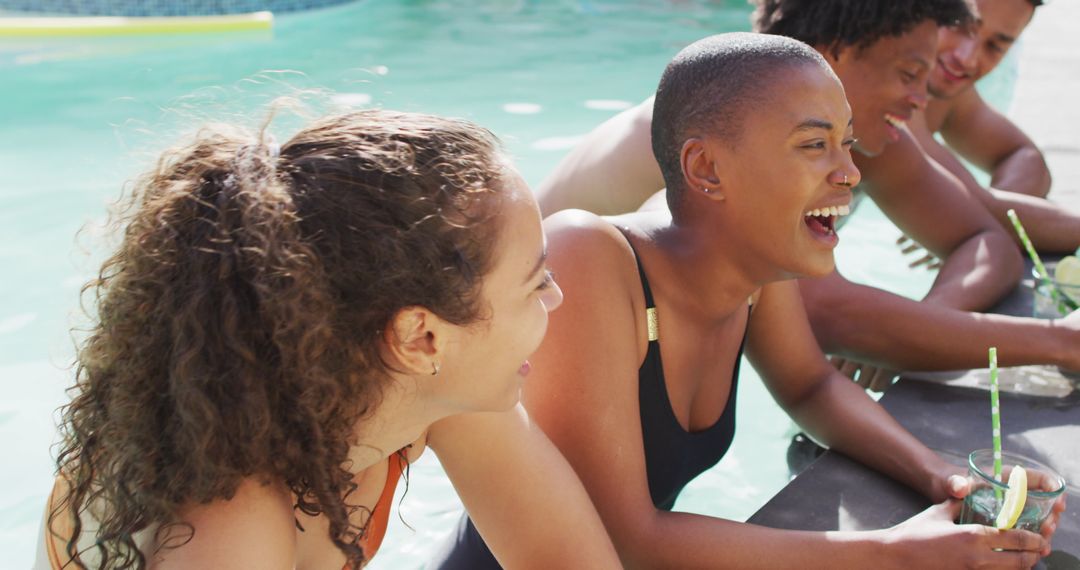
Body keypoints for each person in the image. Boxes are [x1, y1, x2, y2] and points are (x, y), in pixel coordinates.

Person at [432, 33, 1062, 569]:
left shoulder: (756, 265)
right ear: (706, 169)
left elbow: (810, 386)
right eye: (814, 145)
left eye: (846, 143)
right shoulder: (589, 258)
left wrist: (942, 474)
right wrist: (893, 551)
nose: (849, 171)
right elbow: (628, 535)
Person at [36, 109, 621, 569]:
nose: (557, 297)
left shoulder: (424, 387)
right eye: (535, 280)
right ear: (420, 336)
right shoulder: (232, 521)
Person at [533, 0, 1080, 390]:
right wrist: (1058, 342)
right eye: (912, 72)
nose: (923, 99)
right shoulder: (713, 140)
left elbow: (987, 240)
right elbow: (829, 314)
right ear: (832, 53)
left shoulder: (860, 128)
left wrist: (922, 327)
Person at [867, 0, 1080, 261]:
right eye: (957, 25)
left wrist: (975, 223)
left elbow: (1023, 156)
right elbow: (971, 205)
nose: (967, 59)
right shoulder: (879, 91)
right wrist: (978, 221)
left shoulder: (945, 93)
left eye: (995, 46)